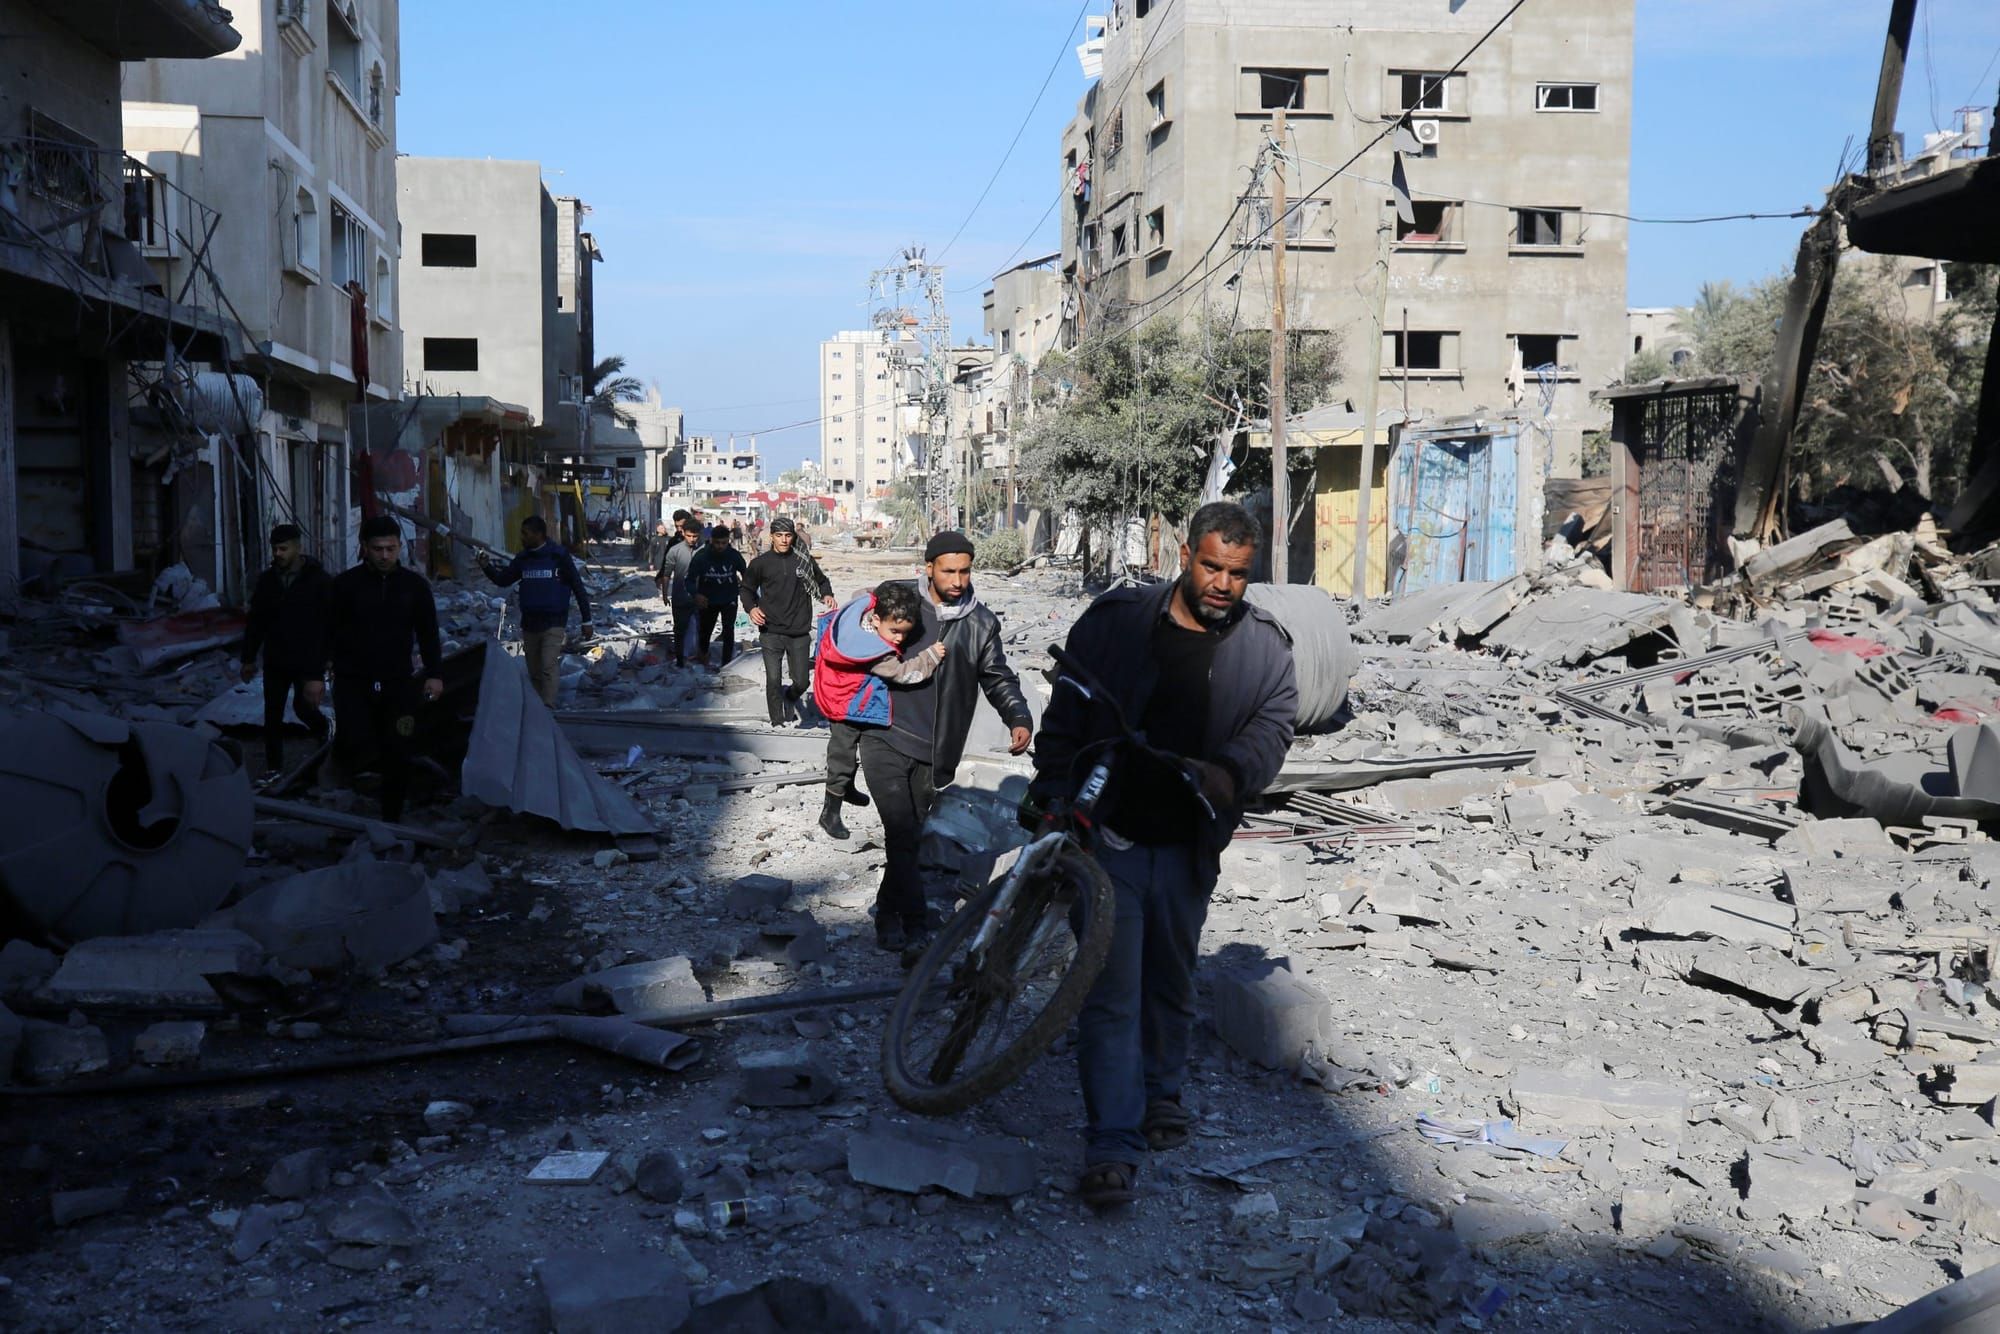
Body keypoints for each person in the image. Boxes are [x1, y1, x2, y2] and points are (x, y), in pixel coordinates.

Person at [1028, 501, 1298, 1210]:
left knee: (1171, 980)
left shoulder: (1264, 648)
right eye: (1211, 566)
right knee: (1111, 991)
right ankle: (1112, 1146)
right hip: (1106, 835)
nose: (1222, 584)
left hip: (1187, 842)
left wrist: (1232, 772)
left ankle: (1161, 1092)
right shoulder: (1117, 623)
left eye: (1238, 574)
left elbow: (1275, 725)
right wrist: (1054, 792)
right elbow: (1066, 714)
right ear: (1185, 554)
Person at [857, 531, 1033, 951]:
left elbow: (996, 675)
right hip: (882, 735)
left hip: (934, 751)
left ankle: (888, 912)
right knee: (900, 832)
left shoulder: (980, 623)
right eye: (948, 570)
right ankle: (913, 924)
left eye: (964, 570)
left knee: (910, 838)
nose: (957, 580)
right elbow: (853, 640)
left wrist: (1018, 715)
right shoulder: (900, 605)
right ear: (929, 568)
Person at [811, 580, 950, 840]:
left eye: (905, 633)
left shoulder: (860, 611)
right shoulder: (875, 651)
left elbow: (860, 591)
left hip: (836, 689)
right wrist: (930, 656)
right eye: (895, 631)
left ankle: (846, 787)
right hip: (845, 701)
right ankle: (830, 812)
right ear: (876, 620)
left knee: (849, 750)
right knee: (842, 753)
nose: (900, 638)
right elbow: (904, 674)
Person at [329, 515, 444, 824]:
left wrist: (435, 673)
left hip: (398, 682)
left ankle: (391, 817)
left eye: (390, 549)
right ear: (364, 547)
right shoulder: (345, 586)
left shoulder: (414, 587)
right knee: (357, 741)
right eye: (378, 549)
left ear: (398, 548)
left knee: (400, 744)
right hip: (354, 681)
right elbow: (326, 632)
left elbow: (428, 633)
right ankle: (356, 807)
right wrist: (316, 674)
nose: (384, 556)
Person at [238, 522, 332, 779]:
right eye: (275, 549)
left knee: (304, 708)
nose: (278, 554)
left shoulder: (319, 581)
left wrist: (319, 669)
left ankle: (325, 729)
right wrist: (248, 658)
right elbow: (256, 621)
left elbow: (329, 625)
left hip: (307, 659)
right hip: (276, 659)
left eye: (283, 548)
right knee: (272, 714)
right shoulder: (268, 581)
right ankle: (274, 768)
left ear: (298, 548)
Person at [482, 516, 593, 708]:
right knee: (534, 670)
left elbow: (578, 586)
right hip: (530, 623)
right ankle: (537, 709)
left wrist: (587, 621)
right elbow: (502, 580)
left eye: (526, 534)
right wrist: (486, 566)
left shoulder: (558, 556)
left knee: (548, 666)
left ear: (539, 534)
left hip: (554, 622)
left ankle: (547, 709)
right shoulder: (523, 559)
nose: (522, 538)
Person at [740, 516, 835, 726]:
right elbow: (746, 590)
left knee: (802, 681)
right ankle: (777, 722)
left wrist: (826, 594)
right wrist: (752, 608)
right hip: (770, 630)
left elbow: (822, 581)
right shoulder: (760, 564)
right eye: (779, 535)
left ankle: (790, 697)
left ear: (793, 537)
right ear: (772, 536)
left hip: (799, 630)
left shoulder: (804, 560)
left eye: (788, 536)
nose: (784, 540)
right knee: (773, 680)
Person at [688, 525, 747, 668]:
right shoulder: (701, 556)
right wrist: (696, 594)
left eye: (724, 543)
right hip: (708, 601)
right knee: (705, 632)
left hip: (729, 599)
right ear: (711, 540)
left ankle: (726, 664)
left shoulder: (734, 555)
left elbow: (747, 574)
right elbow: (689, 580)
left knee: (728, 631)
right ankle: (703, 660)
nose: (720, 546)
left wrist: (746, 590)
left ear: (728, 542)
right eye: (717, 543)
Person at [656, 519, 701, 667]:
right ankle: (680, 661)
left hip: (700, 598)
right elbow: (667, 574)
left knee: (702, 629)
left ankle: (699, 658)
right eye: (689, 536)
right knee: (680, 630)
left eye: (695, 536)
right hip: (680, 597)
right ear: (683, 533)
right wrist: (664, 594)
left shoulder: (704, 550)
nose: (692, 539)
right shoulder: (675, 551)